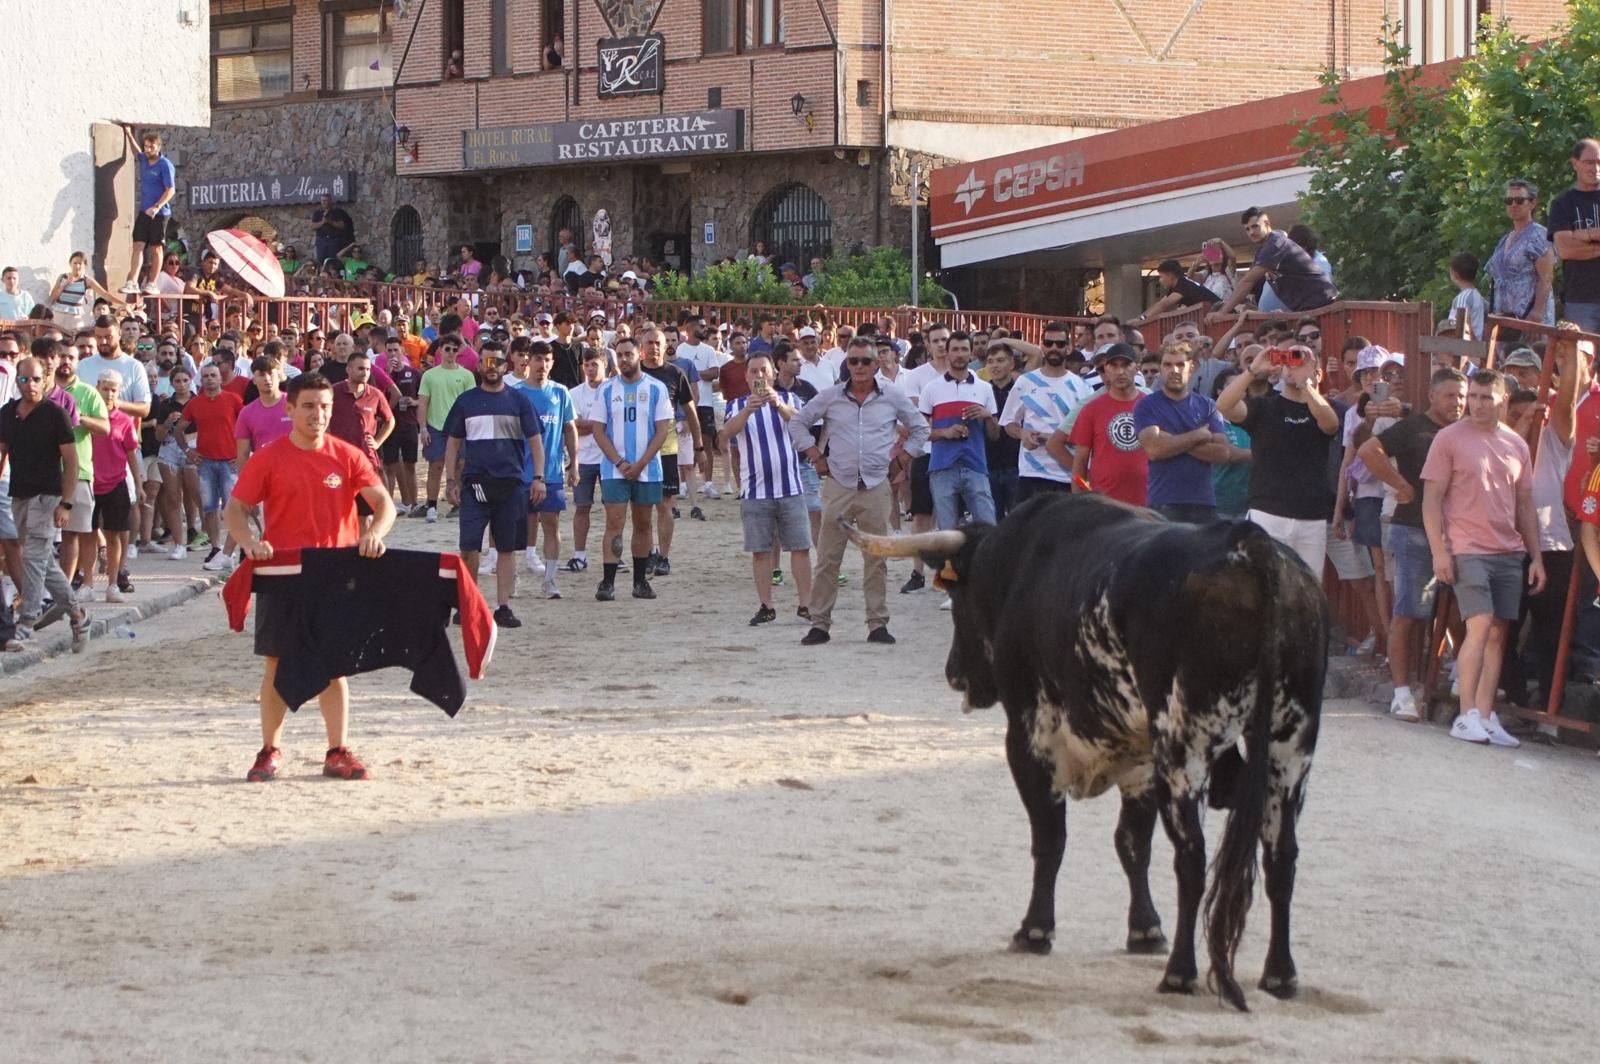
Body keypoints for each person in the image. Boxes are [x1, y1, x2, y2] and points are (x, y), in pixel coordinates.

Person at [224, 373, 395, 782]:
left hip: (337, 576)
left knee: (334, 668)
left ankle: (337, 750)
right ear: (289, 408)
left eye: (324, 407)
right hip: (282, 575)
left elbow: (384, 503)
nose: (317, 414)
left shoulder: (348, 455)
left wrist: (373, 532)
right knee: (277, 664)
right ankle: (270, 750)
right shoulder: (267, 457)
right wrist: (249, 541)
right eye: (308, 406)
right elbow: (236, 509)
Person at [1420, 370, 1545, 747]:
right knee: (1480, 624)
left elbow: (1524, 505)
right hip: (1467, 547)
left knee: (1498, 633)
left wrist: (1536, 557)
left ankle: (1486, 716)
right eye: (1473, 396)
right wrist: (1440, 550)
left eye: (1486, 397)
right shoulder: (1448, 439)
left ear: (1503, 400)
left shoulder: (1516, 445)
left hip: (1509, 550)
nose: (1476, 404)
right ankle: (1467, 713)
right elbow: (1431, 500)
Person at [787, 336, 929, 646]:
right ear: (847, 364)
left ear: (877, 364)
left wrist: (904, 457)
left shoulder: (892, 395)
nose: (860, 367)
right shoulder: (831, 396)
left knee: (876, 559)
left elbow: (920, 428)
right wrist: (814, 455)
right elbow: (798, 423)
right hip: (839, 485)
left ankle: (877, 624)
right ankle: (820, 624)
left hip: (877, 486)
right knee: (827, 559)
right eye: (854, 361)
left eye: (866, 361)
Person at [1359, 368, 1469, 720]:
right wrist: (1400, 485)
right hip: (1413, 530)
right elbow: (1367, 449)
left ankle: (1459, 674)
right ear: (1433, 396)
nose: (1457, 402)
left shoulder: (1467, 432)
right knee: (1407, 612)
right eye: (1450, 395)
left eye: (1461, 396)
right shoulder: (1412, 428)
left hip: (1457, 533)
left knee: (1458, 611)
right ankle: (1402, 693)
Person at [442, 345, 545, 628]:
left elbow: (536, 441)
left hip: (510, 485)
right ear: (478, 366)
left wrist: (539, 477)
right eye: (486, 361)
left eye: (497, 361)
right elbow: (452, 443)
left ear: (506, 365)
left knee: (507, 548)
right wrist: (450, 480)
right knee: (469, 547)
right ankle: (469, 603)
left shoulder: (519, 401)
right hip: (474, 485)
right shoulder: (466, 402)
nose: (491, 366)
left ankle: (503, 607)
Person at [1214, 342, 1341, 571]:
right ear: (1280, 368)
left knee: (1308, 593)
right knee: (1264, 589)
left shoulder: (1322, 407)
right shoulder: (1264, 407)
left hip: (1310, 517)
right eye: (1290, 360)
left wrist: (1306, 384)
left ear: (1317, 370)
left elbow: (1330, 424)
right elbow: (1224, 405)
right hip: (1267, 513)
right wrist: (1253, 371)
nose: (1295, 366)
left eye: (1302, 360)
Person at [0, 352, 90, 650]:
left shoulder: (55, 414)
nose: (29, 385)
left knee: (34, 557)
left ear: (45, 379)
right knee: (42, 562)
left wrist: (66, 503)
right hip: (19, 494)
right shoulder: (8, 412)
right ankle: (77, 613)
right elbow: (1, 452)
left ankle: (26, 622)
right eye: (24, 379)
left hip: (48, 496)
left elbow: (71, 461)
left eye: (36, 379)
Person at [721, 350, 814, 625]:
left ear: (774, 373)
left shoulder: (789, 398)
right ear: (746, 376)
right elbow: (725, 434)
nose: (759, 376)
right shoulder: (737, 404)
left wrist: (778, 405)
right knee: (760, 550)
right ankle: (766, 604)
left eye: (764, 370)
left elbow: (801, 424)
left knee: (800, 548)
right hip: (755, 491)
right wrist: (748, 409)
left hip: (790, 487)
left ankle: (806, 604)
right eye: (753, 371)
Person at [583, 336, 671, 602]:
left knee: (643, 525)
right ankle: (608, 581)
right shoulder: (607, 389)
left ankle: (640, 581)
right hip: (614, 469)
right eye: (619, 355)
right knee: (614, 523)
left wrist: (641, 463)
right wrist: (620, 462)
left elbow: (662, 430)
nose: (623, 360)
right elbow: (598, 430)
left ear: (640, 354)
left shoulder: (656, 388)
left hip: (647, 469)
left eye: (628, 354)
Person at [1133, 339, 1232, 521]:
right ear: (1161, 369)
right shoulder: (1146, 405)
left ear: (1191, 367)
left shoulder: (1208, 406)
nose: (1174, 370)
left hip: (1204, 503)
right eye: (1168, 364)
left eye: (1180, 364)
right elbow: (1155, 450)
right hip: (1163, 502)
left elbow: (1222, 453)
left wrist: (1170, 440)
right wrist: (1199, 435)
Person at [1000, 320, 1094, 506]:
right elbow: (1008, 423)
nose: (1054, 348)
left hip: (1067, 474)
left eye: (1060, 344)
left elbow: (1088, 436)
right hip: (1032, 473)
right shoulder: (1025, 382)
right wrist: (1022, 434)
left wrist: (1051, 438)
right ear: (1042, 346)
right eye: (1049, 343)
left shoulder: (1082, 387)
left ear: (1068, 348)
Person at [918, 330, 997, 532]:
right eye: (955, 349)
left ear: (971, 353)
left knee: (988, 528)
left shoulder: (985, 388)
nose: (960, 354)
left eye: (964, 349)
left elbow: (995, 435)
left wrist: (987, 415)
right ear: (948, 352)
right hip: (942, 465)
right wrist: (945, 432)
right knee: (947, 532)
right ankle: (948, 565)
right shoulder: (931, 388)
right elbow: (919, 431)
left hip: (976, 464)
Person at [1053, 343, 1149, 506]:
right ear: (1106, 369)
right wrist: (1079, 502)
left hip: (1148, 503)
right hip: (1105, 506)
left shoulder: (1152, 405)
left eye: (1126, 365)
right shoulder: (1091, 409)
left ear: (1136, 368)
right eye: (1114, 366)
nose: (1120, 372)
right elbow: (1080, 464)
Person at [638, 329, 701, 577]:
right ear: (641, 346)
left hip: (666, 448)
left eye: (658, 343)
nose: (654, 347)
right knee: (641, 505)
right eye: (649, 343)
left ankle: (664, 556)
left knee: (665, 504)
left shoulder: (675, 374)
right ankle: (649, 551)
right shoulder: (632, 373)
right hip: (636, 449)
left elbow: (691, 411)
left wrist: (699, 446)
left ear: (666, 347)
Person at [519, 341, 579, 599]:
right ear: (528, 362)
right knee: (516, 525)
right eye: (537, 359)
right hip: (520, 471)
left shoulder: (561, 392)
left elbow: (570, 428)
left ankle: (550, 579)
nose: (542, 365)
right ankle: (512, 578)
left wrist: (574, 463)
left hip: (552, 471)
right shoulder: (516, 392)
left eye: (547, 360)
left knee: (552, 525)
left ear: (552, 363)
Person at [51, 339, 110, 591]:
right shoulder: (44, 390)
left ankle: (78, 585)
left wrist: (79, 418)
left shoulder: (87, 392)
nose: (66, 361)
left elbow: (105, 427)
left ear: (78, 362)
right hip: (46, 471)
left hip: (79, 471)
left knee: (78, 532)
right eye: (62, 356)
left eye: (71, 357)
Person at [1209, 207, 1338, 319]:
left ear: (1267, 223)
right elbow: (1247, 284)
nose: (1251, 232)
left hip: (1323, 306)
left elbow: (1248, 281)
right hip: (1307, 309)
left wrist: (1222, 313)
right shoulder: (1264, 250)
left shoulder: (1276, 243)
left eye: (1255, 226)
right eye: (1247, 229)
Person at [182, 364, 244, 571]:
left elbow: (247, 426)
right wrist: (187, 451)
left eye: (213, 376)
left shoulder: (233, 400)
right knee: (209, 507)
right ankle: (216, 547)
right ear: (201, 379)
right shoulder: (195, 404)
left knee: (232, 508)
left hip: (229, 461)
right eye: (206, 376)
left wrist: (244, 453)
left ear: (220, 378)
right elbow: (179, 429)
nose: (209, 379)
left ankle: (230, 549)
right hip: (206, 462)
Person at [90, 370, 142, 603]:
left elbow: (132, 454)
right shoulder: (88, 416)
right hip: (89, 482)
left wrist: (138, 485)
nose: (109, 393)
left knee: (114, 535)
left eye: (113, 389)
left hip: (116, 481)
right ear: (97, 387)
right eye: (105, 388)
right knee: (88, 535)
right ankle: (87, 583)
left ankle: (112, 584)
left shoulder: (123, 420)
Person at [416, 335, 477, 522]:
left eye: (454, 349)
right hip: (436, 426)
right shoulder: (429, 375)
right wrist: (423, 428)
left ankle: (457, 504)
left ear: (458, 352)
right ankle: (432, 505)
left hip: (460, 428)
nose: (450, 352)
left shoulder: (466, 375)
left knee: (460, 465)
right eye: (447, 348)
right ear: (440, 350)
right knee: (435, 465)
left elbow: (471, 404)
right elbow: (423, 403)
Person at [1485, 178, 1556, 335]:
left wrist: (1537, 313)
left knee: (1531, 357)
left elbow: (1546, 277)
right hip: (1504, 319)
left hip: (1530, 318)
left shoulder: (1539, 235)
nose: (1514, 205)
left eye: (1519, 200)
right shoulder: (1505, 239)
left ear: (1532, 203)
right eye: (1509, 201)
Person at [566, 346, 609, 573]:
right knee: (582, 507)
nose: (591, 369)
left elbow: (613, 424)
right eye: (587, 365)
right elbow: (574, 427)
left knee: (614, 509)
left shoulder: (613, 390)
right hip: (583, 458)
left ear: (605, 366)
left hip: (610, 457)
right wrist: (600, 425)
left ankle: (614, 556)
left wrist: (590, 424)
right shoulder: (574, 393)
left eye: (595, 365)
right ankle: (579, 555)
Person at [122, 131, 176, 296]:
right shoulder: (144, 159)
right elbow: (136, 151)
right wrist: (128, 133)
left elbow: (171, 189)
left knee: (156, 248)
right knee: (138, 244)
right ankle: (132, 281)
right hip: (144, 211)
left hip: (159, 213)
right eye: (146, 146)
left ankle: (152, 283)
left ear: (158, 147)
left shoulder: (165, 164)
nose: (147, 150)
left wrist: (157, 206)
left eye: (151, 147)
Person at [381, 335, 423, 515]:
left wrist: (414, 402)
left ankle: (413, 504)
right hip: (390, 425)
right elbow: (378, 395)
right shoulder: (382, 374)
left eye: (395, 350)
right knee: (389, 466)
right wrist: (388, 373)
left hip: (409, 424)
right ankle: (389, 505)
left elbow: (424, 399)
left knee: (410, 465)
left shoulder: (414, 373)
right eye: (389, 350)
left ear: (402, 351)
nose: (392, 354)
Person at [1130, 259, 1220, 328]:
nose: (1160, 280)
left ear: (1170, 275)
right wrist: (1139, 318)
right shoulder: (1177, 286)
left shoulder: (1183, 285)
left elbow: (1164, 305)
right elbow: (1160, 304)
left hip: (1217, 314)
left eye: (1161, 276)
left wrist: (1141, 320)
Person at [1446, 252, 1488, 341]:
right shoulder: (1478, 296)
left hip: (1465, 348)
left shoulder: (1463, 297)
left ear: (1455, 274)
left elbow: (1463, 323)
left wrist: (1473, 344)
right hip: (1474, 346)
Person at [311, 193, 354, 271]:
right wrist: (323, 222)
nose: (323, 202)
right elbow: (312, 226)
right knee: (321, 261)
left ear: (330, 201)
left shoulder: (338, 212)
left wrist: (330, 222)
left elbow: (342, 226)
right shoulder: (318, 213)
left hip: (334, 241)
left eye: (325, 200)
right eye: (322, 200)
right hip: (322, 240)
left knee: (334, 262)